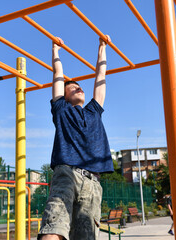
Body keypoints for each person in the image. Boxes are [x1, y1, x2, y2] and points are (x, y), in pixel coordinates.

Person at [38, 35, 114, 240]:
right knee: (53, 228)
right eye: (72, 88)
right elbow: (58, 75)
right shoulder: (61, 109)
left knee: (86, 237)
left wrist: (102, 47)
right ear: (64, 95)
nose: (78, 87)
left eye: (80, 86)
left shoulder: (94, 111)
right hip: (67, 174)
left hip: (92, 182)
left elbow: (100, 75)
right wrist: (55, 51)